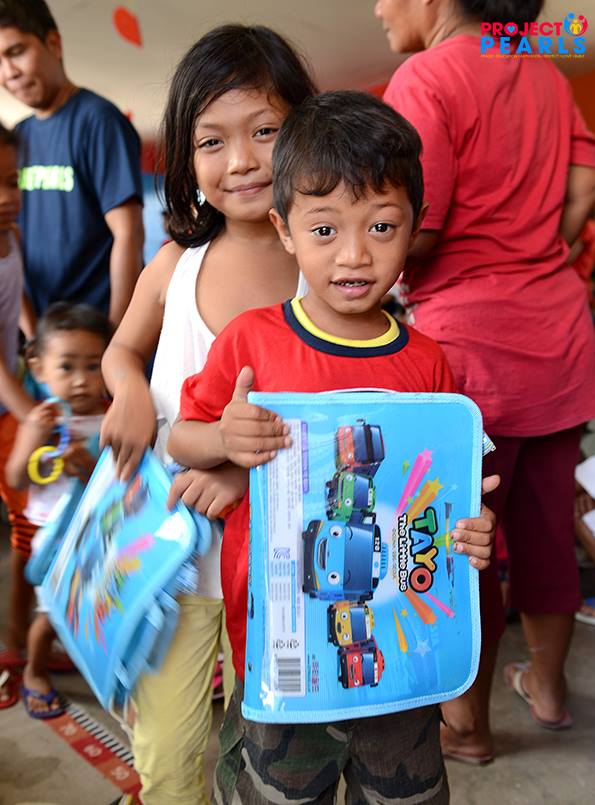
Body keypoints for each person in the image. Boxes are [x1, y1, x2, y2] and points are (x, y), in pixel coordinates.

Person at [168, 90, 498, 805]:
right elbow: (182, 438)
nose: (354, 254)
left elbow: (445, 504)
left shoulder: (429, 364)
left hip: (401, 662)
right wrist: (224, 437)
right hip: (281, 654)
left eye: (381, 226)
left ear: (415, 226)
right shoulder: (252, 341)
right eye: (324, 229)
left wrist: (473, 532)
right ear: (284, 228)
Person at [374, 0, 595, 762]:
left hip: (468, 352)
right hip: (559, 339)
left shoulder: (425, 78)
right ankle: (549, 688)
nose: (379, 7)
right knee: (544, 531)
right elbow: (581, 188)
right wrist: (533, 251)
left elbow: (421, 223)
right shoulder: (547, 74)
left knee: (459, 538)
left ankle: (467, 725)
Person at [100, 25, 317, 805]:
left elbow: (336, 424)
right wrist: (128, 389)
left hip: (279, 565)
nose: (242, 160)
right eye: (212, 141)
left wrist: (238, 474)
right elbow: (121, 352)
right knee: (169, 746)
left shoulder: (324, 273)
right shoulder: (174, 265)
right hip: (169, 554)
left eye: (265, 131)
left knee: (270, 744)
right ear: (187, 162)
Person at [0, 0, 144, 325]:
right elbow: (10, 238)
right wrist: (31, 333)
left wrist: (115, 337)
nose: (9, 74)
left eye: (16, 52)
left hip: (93, 329)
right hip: (44, 335)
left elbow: (129, 234)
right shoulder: (19, 136)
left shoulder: (99, 121)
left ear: (53, 43)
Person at [5, 302, 111, 716]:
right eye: (67, 367)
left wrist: (91, 467)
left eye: (93, 365)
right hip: (55, 540)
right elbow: (16, 477)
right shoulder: (42, 420)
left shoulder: (112, 416)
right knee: (50, 613)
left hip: (100, 532)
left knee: (95, 608)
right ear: (39, 369)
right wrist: (35, 439)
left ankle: (93, 665)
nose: (81, 380)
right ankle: (35, 671)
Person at [0, 122, 37, 709]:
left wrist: (37, 341)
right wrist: (33, 411)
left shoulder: (10, 236)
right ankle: (11, 649)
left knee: (27, 524)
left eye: (13, 180)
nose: (7, 195)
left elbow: (19, 299)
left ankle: (20, 640)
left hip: (10, 400)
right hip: (9, 402)